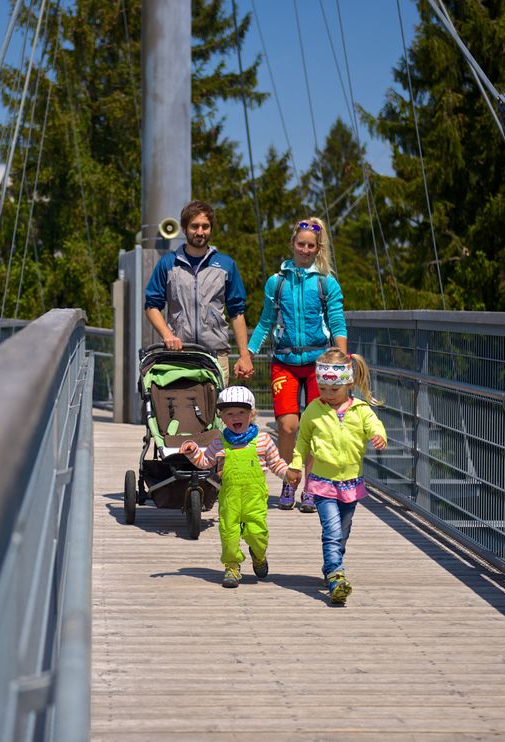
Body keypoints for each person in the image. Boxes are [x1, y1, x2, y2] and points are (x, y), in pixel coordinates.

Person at [243, 217, 347, 513]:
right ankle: (290, 478)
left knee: (314, 426)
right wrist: (249, 353)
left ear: (317, 249)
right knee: (288, 426)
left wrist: (342, 361)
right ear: (292, 245)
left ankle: (312, 487)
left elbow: (338, 322)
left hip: (319, 363)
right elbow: (265, 322)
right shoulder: (277, 282)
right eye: (300, 244)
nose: (304, 250)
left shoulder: (326, 283)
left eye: (310, 246)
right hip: (285, 361)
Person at [287, 349, 386, 605]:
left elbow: (375, 425)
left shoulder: (361, 410)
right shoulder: (313, 410)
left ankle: (332, 565)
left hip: (351, 482)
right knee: (331, 530)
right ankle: (335, 575)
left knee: (343, 531)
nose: (327, 395)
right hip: (321, 482)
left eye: (333, 390)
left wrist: (379, 436)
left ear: (349, 383)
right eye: (322, 389)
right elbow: (302, 441)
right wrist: (296, 466)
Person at [180, 386, 299, 588]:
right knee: (229, 534)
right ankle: (232, 566)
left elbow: (275, 463)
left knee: (257, 534)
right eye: (229, 413)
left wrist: (287, 474)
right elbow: (204, 462)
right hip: (230, 499)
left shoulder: (263, 440)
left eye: (241, 412)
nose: (236, 417)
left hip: (255, 499)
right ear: (222, 418)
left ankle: (258, 556)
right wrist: (192, 451)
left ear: (251, 414)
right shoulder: (219, 442)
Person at [144, 200, 254, 383]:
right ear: (184, 228)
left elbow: (237, 312)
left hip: (215, 355)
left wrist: (244, 356)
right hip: (179, 354)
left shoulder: (226, 265)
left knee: (214, 411)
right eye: (194, 226)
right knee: (179, 409)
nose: (200, 232)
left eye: (205, 226)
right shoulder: (167, 264)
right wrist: (168, 336)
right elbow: (151, 306)